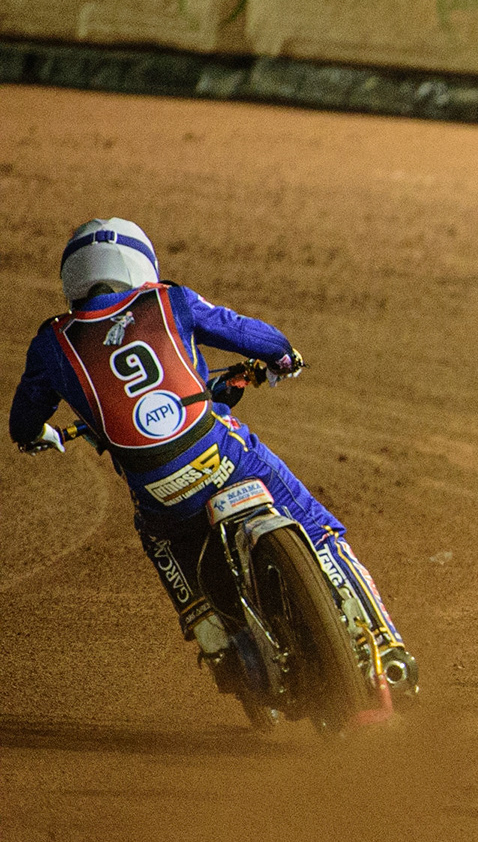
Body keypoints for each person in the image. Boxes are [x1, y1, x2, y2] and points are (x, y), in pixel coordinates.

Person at [10, 218, 418, 708]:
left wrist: (38, 435)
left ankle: (214, 637)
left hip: (159, 492)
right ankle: (386, 646)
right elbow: (245, 332)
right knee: (318, 527)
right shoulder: (168, 300)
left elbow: (23, 421)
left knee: (157, 535)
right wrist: (284, 356)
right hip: (222, 456)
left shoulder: (51, 342)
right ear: (142, 263)